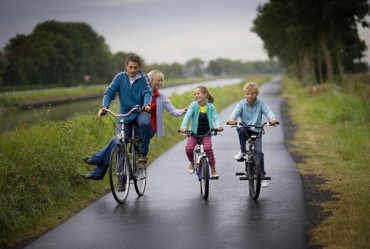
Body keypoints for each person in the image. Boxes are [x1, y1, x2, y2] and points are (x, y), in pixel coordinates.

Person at [81, 68, 187, 180]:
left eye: (161, 81)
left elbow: (173, 111)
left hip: (148, 129)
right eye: (158, 80)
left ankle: (97, 161)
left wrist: (183, 111)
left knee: (119, 141)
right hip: (134, 125)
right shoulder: (140, 93)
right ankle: (111, 174)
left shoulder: (161, 97)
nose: (160, 83)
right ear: (149, 80)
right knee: (118, 141)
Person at [80, 55, 152, 180]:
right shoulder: (120, 77)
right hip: (125, 115)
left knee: (146, 123)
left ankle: (143, 152)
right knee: (119, 141)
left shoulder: (144, 78)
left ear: (139, 67)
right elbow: (109, 92)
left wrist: (146, 104)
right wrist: (104, 106)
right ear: (126, 67)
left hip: (140, 111)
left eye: (135, 67)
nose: (133, 70)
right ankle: (115, 177)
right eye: (130, 67)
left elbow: (147, 92)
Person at [227, 82, 277, 188]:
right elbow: (235, 113)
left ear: (256, 94)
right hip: (245, 130)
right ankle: (243, 150)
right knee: (239, 127)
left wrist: (272, 119)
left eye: (252, 94)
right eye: (248, 94)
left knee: (259, 153)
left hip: (257, 130)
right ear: (245, 94)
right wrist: (232, 119)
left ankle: (262, 176)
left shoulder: (261, 103)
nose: (250, 96)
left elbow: (268, 112)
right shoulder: (241, 104)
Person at [179, 85, 223, 179]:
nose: (196, 95)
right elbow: (187, 116)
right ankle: (191, 162)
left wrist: (218, 126)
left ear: (205, 94)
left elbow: (215, 117)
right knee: (189, 149)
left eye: (198, 93)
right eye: (194, 94)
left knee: (208, 149)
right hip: (194, 133)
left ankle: (213, 170)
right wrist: (183, 127)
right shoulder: (193, 105)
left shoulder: (210, 107)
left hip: (206, 133)